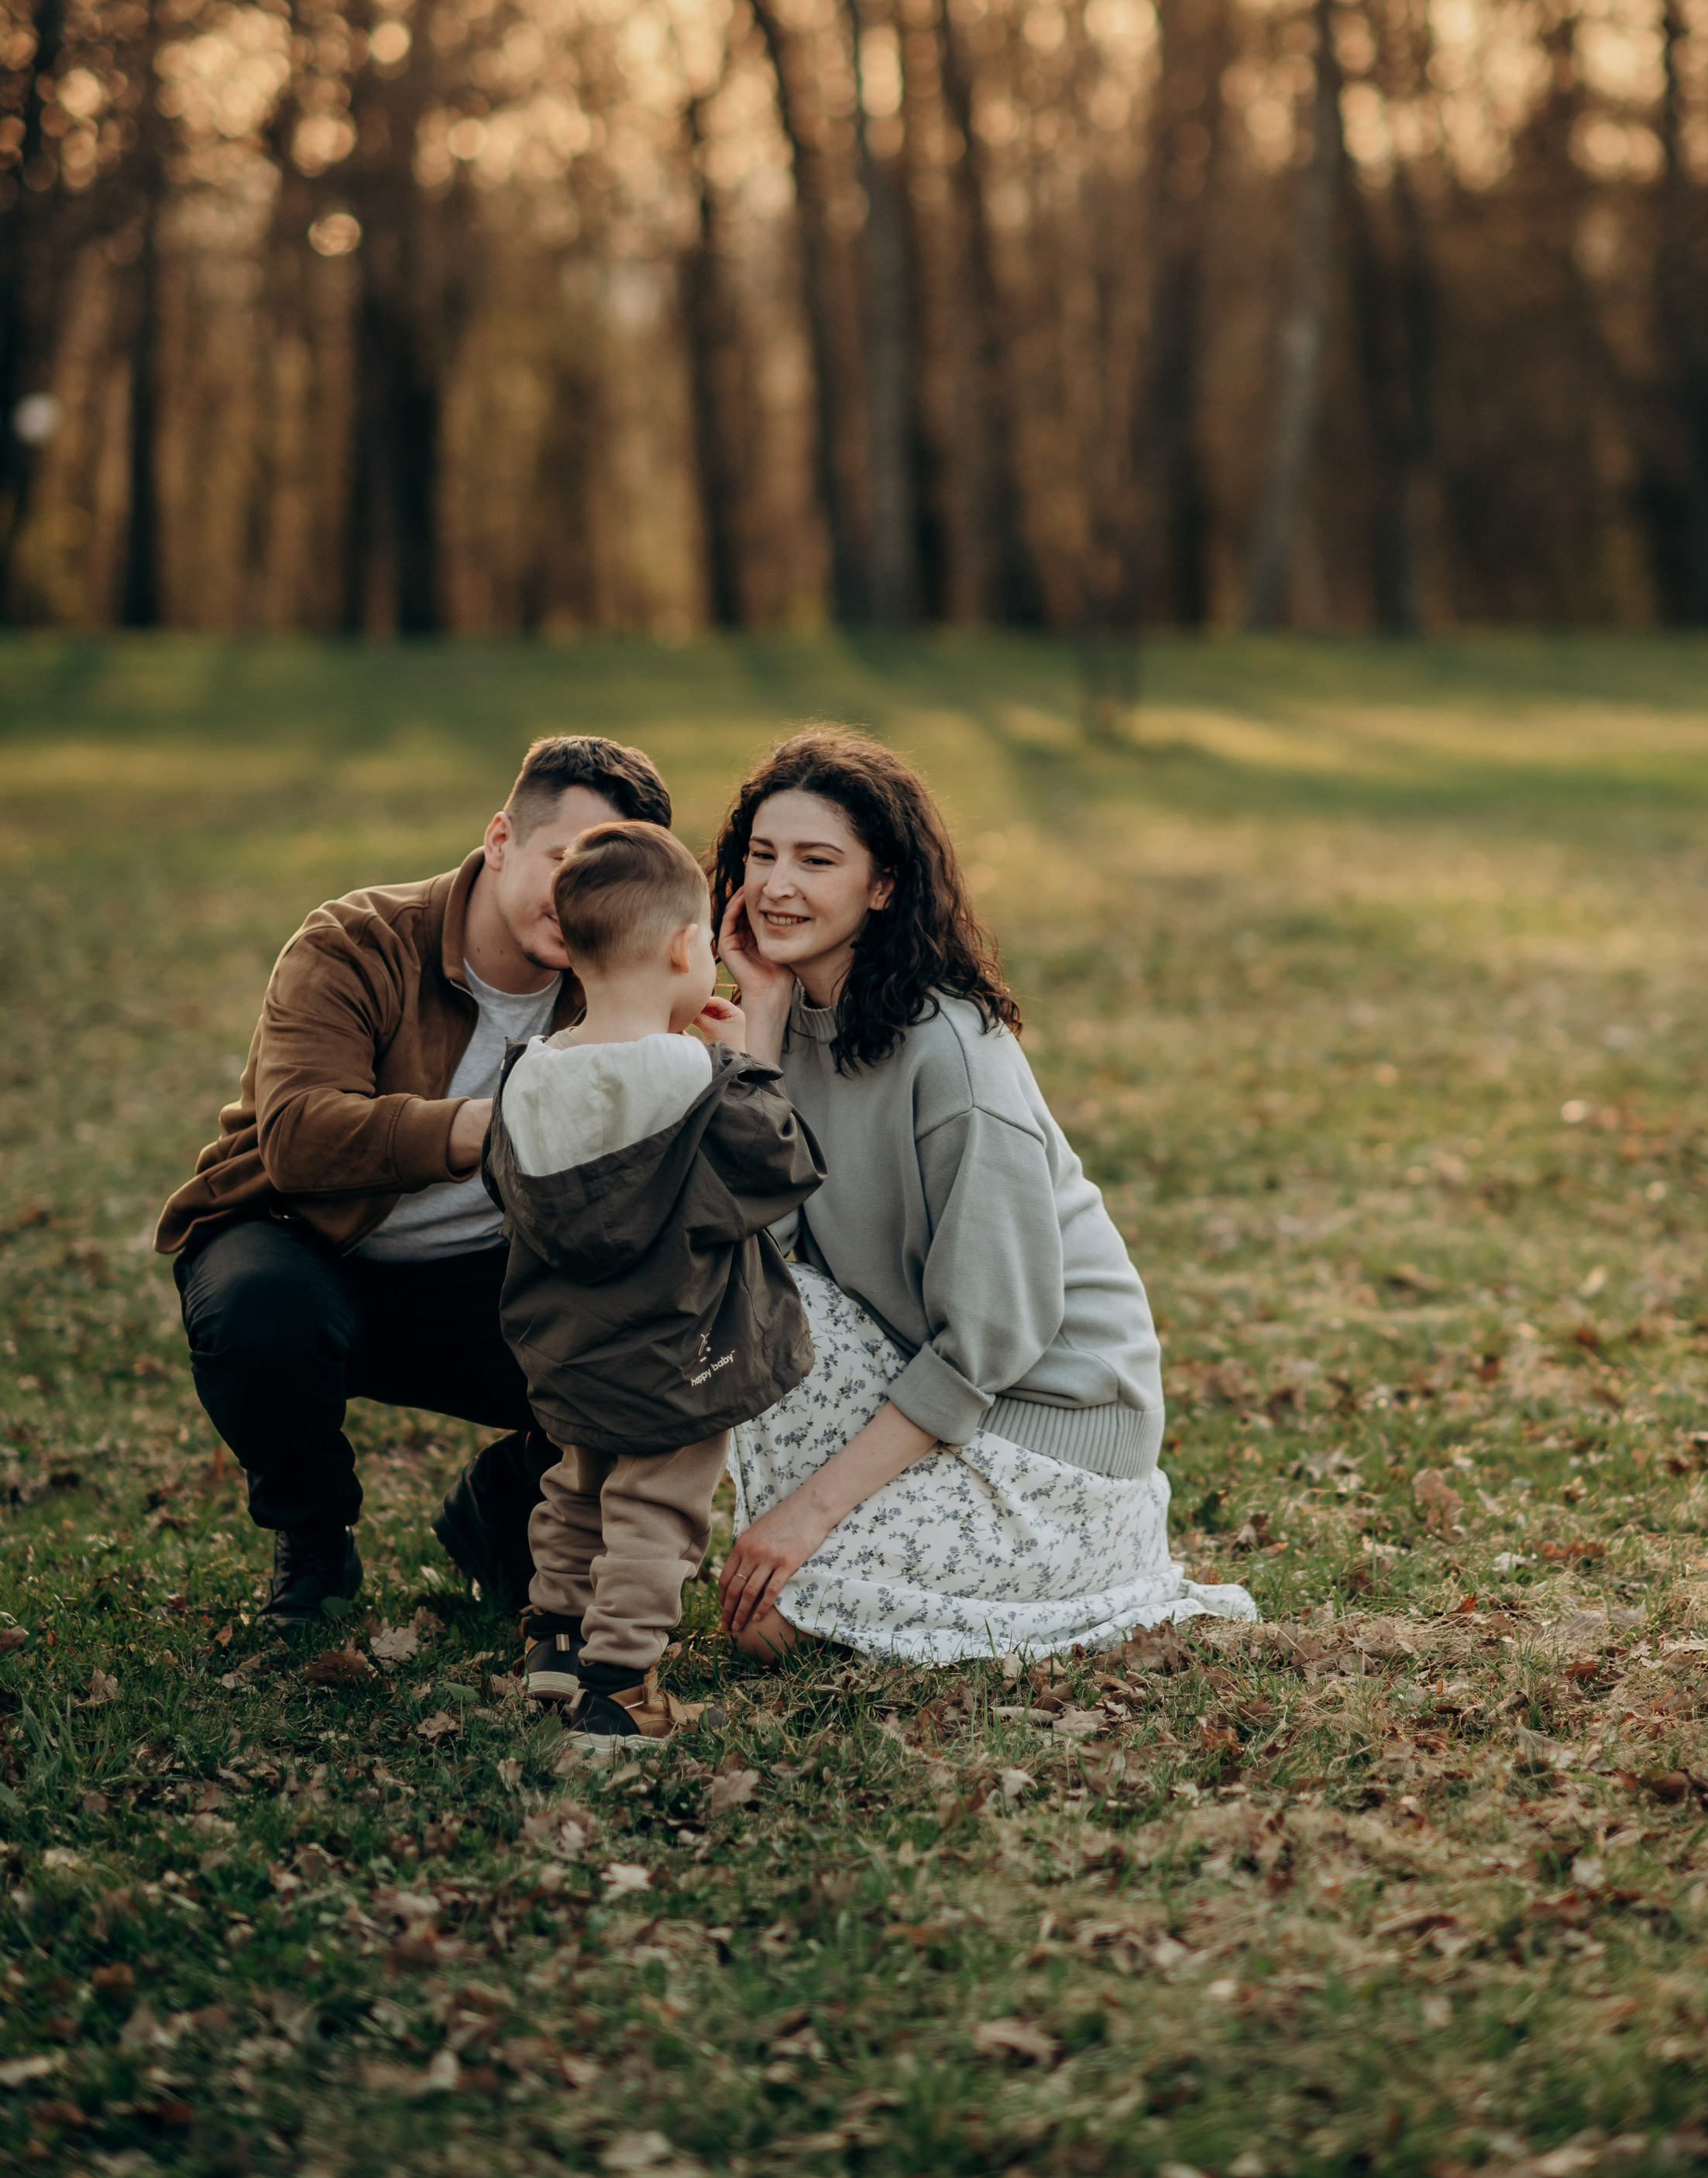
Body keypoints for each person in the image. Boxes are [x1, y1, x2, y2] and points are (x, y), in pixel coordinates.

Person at [702, 726, 1256, 1666]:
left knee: (772, 1619)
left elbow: (993, 1335)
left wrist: (809, 1513)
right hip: (919, 1375)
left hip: (1052, 1435)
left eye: (816, 859)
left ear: (882, 884)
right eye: (761, 854)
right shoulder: (785, 1017)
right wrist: (755, 1028)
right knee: (736, 1286)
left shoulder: (951, 1051)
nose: (776, 886)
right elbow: (767, 1236)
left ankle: (1107, 1578)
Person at [156, 733, 674, 1627]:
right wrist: (487, 1121)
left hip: (487, 1281)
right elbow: (297, 1137)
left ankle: (503, 1505)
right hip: (311, 1248)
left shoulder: (617, 984)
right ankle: (314, 1541)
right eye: (564, 860)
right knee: (258, 1311)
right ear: (502, 837)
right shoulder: (354, 940)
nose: (582, 898)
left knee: (666, 1330)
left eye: (610, 875)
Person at [482, 819, 822, 1741]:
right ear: (686, 947)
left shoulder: (528, 1075)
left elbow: (506, 1186)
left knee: (577, 1485)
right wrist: (745, 1057)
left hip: (567, 1353)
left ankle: (553, 1643)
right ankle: (620, 1687)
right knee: (654, 1508)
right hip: (679, 1352)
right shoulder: (698, 1074)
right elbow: (776, 1167)